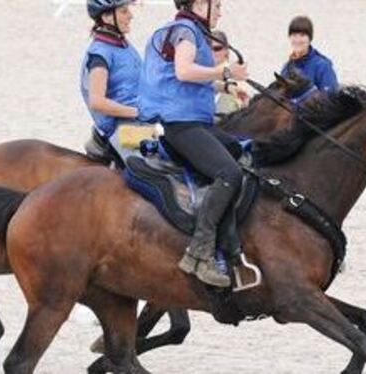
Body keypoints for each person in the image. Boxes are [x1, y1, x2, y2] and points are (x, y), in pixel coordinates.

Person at [139, 0, 249, 288]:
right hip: (182, 124)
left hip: (194, 121)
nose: (220, 11)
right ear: (200, 3)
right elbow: (184, 71)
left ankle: (227, 238)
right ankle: (199, 252)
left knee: (238, 149)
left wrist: (224, 87)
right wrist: (226, 72)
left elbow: (187, 81)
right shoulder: (186, 30)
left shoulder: (191, 31)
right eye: (217, 5)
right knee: (230, 173)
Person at [81, 0, 146, 166]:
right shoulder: (100, 54)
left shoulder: (122, 45)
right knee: (155, 175)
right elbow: (97, 102)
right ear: (107, 17)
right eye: (124, 11)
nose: (130, 16)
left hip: (140, 118)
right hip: (123, 126)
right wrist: (137, 112)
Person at [280, 15, 339, 93]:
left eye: (302, 35)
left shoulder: (322, 66)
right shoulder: (286, 68)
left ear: (310, 38)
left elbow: (331, 100)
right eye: (294, 35)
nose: (298, 40)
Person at [211, 30, 250, 120]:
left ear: (227, 51)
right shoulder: (198, 75)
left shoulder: (238, 79)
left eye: (216, 48)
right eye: (207, 48)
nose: (211, 52)